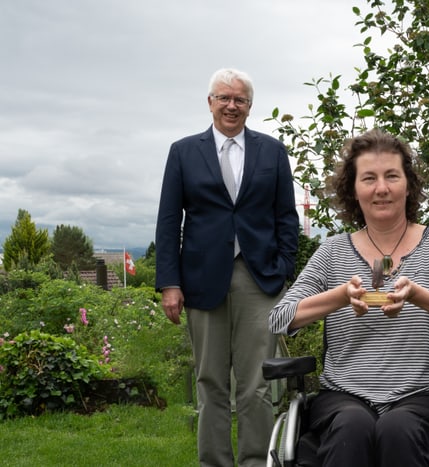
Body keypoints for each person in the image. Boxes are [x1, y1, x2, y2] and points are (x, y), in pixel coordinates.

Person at [269, 128, 429, 467]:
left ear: (409, 185)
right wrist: (341, 296)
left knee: (397, 428)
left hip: (427, 395)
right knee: (352, 427)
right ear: (353, 189)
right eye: (369, 178)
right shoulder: (332, 251)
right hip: (344, 397)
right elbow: (280, 319)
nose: (382, 189)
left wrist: (420, 296)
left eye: (392, 176)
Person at [155, 68, 299, 467]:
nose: (231, 106)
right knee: (211, 383)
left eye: (240, 100)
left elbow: (286, 216)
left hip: (260, 281)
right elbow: (169, 221)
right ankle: (214, 462)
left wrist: (285, 267)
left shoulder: (272, 151)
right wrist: (169, 283)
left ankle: (256, 461)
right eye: (224, 98)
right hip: (201, 282)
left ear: (250, 107)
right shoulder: (183, 152)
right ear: (210, 103)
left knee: (256, 386)